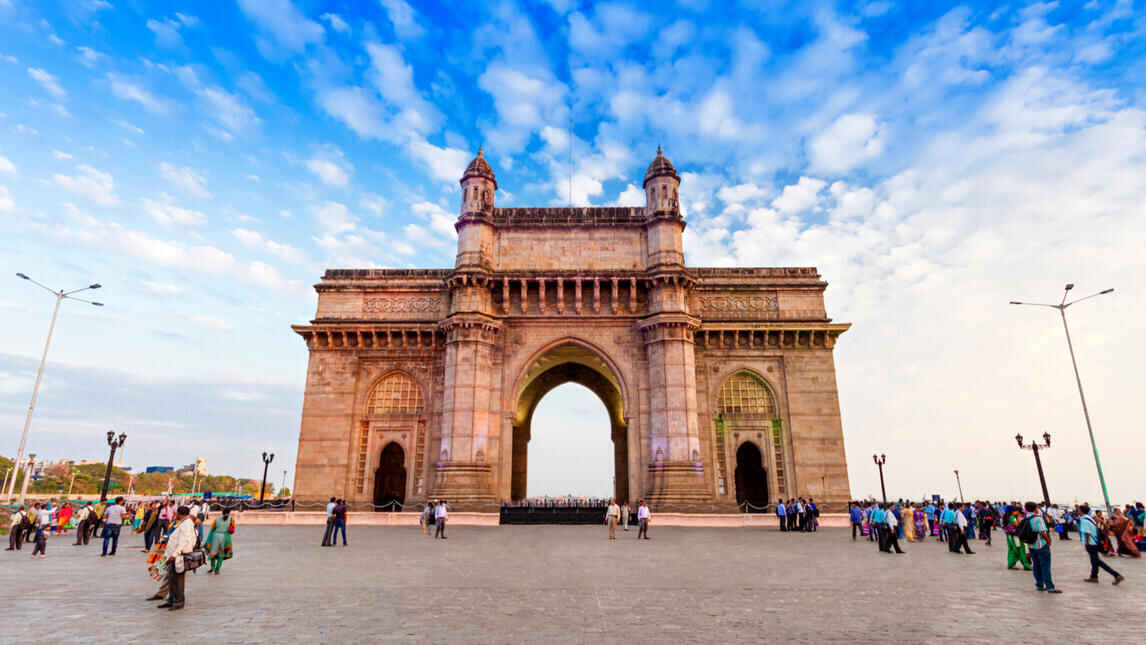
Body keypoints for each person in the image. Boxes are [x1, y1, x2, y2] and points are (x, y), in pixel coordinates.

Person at [157, 506, 197, 610]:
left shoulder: (187, 524)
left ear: (179, 513)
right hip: (172, 555)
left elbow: (183, 541)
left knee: (178, 580)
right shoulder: (183, 522)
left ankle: (179, 602)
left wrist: (174, 555)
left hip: (178, 556)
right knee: (171, 579)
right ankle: (171, 600)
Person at [1078, 504, 1123, 585]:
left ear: (1081, 511)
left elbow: (1087, 533)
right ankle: (1094, 577)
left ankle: (1116, 575)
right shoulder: (1089, 519)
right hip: (1095, 542)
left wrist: (1087, 544)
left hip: (1091, 544)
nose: (1078, 511)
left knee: (1097, 561)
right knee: (1094, 561)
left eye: (1078, 510)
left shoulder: (1084, 520)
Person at [1023, 501, 1059, 593]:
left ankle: (1039, 584)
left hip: (1031, 545)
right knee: (1045, 566)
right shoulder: (1037, 519)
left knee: (1036, 565)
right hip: (1041, 545)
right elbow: (1042, 532)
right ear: (1036, 508)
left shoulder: (1026, 517)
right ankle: (1050, 587)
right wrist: (1048, 541)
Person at [205, 508, 236, 575]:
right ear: (229, 513)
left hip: (215, 537)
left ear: (222, 512)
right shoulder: (231, 520)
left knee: (213, 553)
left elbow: (212, 528)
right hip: (225, 537)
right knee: (221, 554)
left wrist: (208, 540)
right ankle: (217, 569)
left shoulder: (216, 519)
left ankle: (212, 567)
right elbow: (232, 531)